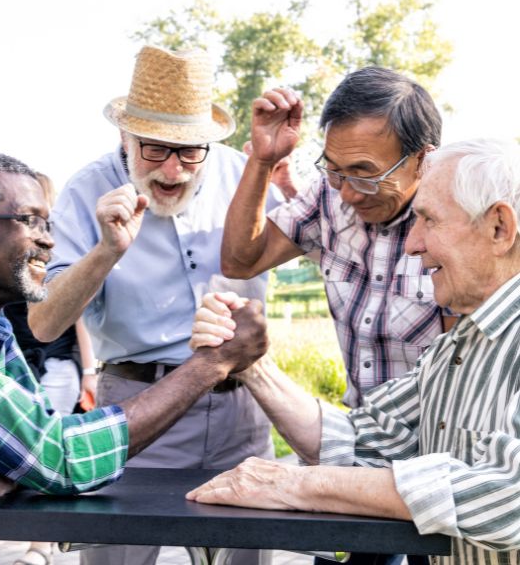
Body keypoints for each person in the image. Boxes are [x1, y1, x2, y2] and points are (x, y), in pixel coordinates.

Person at [0, 152, 267, 565]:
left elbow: (40, 432)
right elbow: (59, 456)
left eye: (47, 223)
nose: (48, 240)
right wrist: (212, 363)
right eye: (29, 220)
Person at [188, 138, 520, 565]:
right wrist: (249, 361)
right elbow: (361, 443)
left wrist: (297, 486)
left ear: (499, 228)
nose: (412, 244)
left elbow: (510, 498)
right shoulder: (456, 349)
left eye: (429, 220)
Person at [28, 44, 290, 565]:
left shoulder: (246, 173)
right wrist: (106, 251)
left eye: (190, 151)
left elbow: (312, 241)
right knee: (118, 557)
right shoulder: (87, 191)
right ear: (123, 136)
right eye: (154, 149)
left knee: (247, 558)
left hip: (240, 407)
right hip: (138, 406)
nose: (173, 170)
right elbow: (43, 323)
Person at [221, 69, 456, 412]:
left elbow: (465, 374)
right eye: (334, 171)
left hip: (433, 448)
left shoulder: (460, 224)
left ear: (422, 159)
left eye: (365, 176)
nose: (347, 194)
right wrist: (262, 159)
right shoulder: (326, 198)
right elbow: (240, 262)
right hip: (360, 432)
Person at [4, 172, 98, 565]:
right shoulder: (6, 247)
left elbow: (79, 314)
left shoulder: (56, 244)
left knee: (48, 450)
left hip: (57, 360)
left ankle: (39, 544)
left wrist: (91, 371)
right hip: (15, 357)